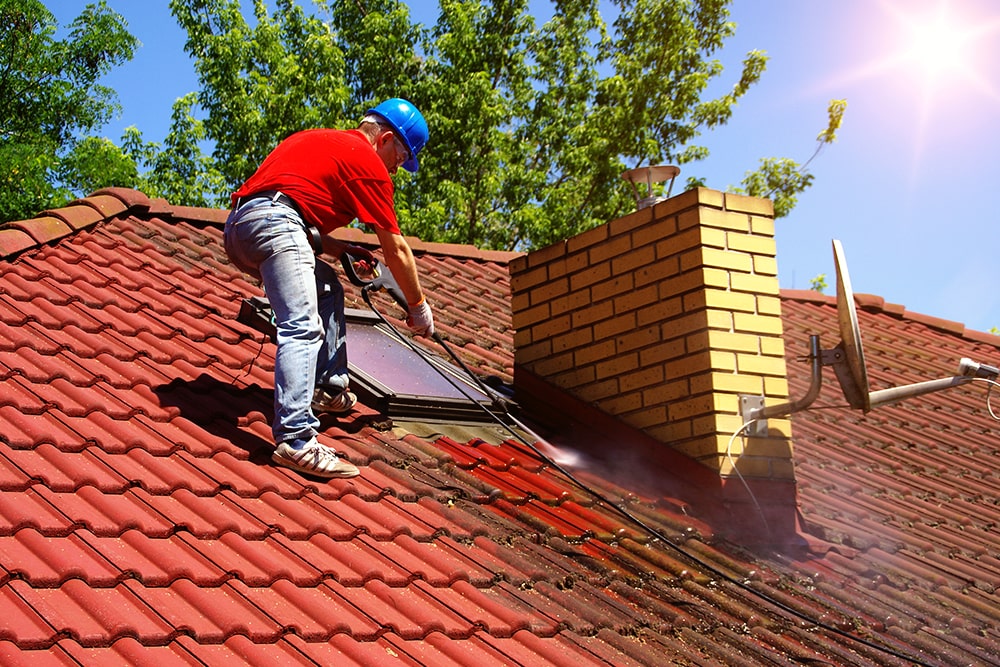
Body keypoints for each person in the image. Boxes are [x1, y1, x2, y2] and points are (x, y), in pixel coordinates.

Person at [224, 98, 434, 479]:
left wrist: (340, 248)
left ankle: (328, 387)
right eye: (400, 159)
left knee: (326, 287)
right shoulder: (368, 162)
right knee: (302, 325)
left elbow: (285, 206)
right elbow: (397, 248)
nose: (396, 170)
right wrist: (417, 306)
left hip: (239, 228)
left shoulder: (319, 139)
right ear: (385, 139)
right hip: (277, 223)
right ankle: (296, 441)